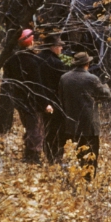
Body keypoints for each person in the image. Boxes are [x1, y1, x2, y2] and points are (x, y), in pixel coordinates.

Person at [59, 52, 111, 181]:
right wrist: (106, 85)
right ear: (87, 64)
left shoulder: (64, 78)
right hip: (89, 124)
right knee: (90, 154)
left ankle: (73, 177)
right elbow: (106, 96)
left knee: (74, 152)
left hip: (70, 123)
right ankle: (87, 180)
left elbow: (60, 98)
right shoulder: (92, 79)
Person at [4, 28, 47, 163]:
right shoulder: (33, 62)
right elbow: (38, 86)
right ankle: (32, 157)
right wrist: (44, 104)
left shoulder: (11, 60)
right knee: (35, 130)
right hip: (31, 100)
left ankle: (29, 154)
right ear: (30, 41)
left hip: (18, 99)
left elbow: (9, 79)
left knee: (29, 127)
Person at [37, 34, 68, 163]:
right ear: (52, 47)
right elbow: (62, 84)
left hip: (39, 100)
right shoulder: (56, 63)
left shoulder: (37, 59)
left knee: (44, 129)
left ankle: (46, 154)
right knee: (56, 131)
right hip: (54, 102)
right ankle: (55, 157)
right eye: (59, 45)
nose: (61, 48)